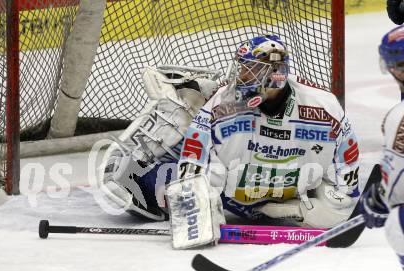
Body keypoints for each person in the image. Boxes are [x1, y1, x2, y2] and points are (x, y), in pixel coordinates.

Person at [101, 35, 360, 249]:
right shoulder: (224, 102)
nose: (243, 76)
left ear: (276, 75)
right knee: (151, 183)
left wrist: (341, 201)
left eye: (252, 70)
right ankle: (154, 163)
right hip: (231, 195)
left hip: (282, 196)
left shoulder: (323, 106)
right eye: (243, 68)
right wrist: (196, 212)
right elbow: (194, 155)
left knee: (326, 210)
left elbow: (347, 159)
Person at [359, 25, 404, 271]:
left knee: (398, 223)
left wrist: (383, 197)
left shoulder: (399, 118)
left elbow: (398, 186)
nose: (394, 72)